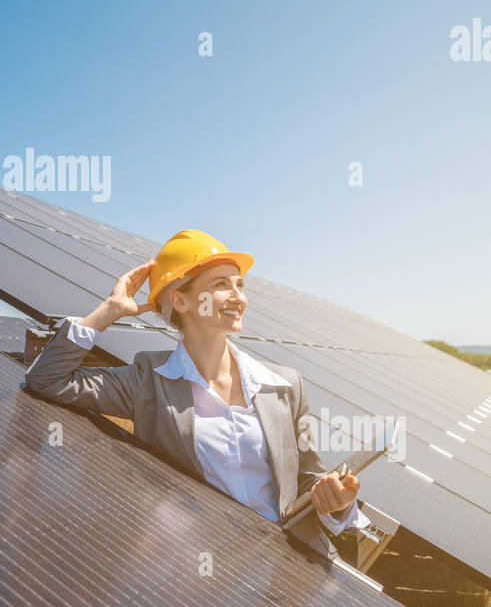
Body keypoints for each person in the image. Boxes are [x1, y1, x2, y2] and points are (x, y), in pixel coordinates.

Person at [24, 228, 371, 561]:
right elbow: (48, 379)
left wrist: (335, 501)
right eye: (221, 285)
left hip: (290, 572)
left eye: (240, 285)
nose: (239, 297)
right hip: (201, 570)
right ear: (181, 300)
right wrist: (110, 310)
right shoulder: (148, 381)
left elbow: (308, 478)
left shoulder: (284, 385)